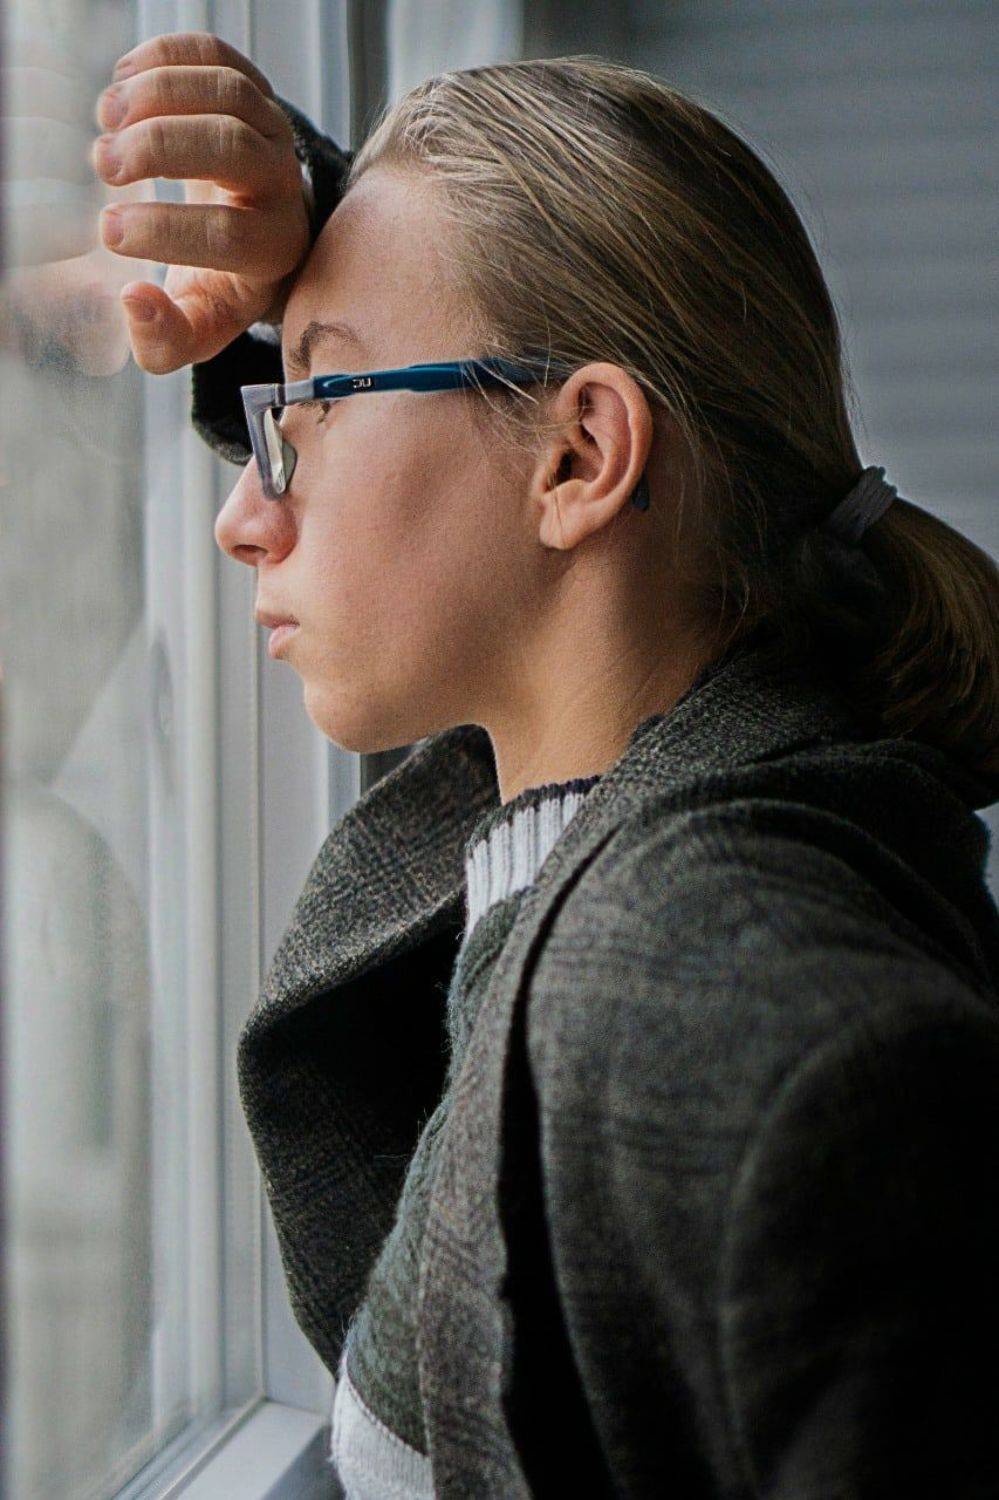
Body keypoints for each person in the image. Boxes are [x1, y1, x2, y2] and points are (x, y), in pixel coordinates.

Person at [93, 31, 999, 1500]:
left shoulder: (747, 1012)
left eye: (314, 404)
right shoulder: (592, 850)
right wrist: (321, 228)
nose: (243, 517)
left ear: (579, 457)